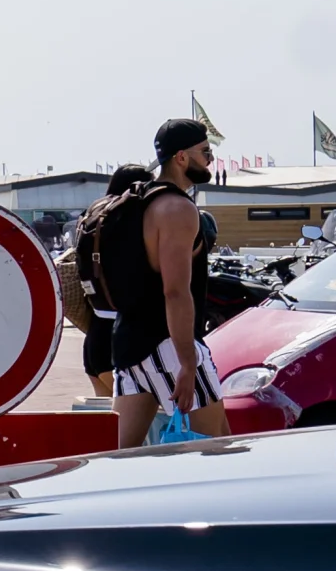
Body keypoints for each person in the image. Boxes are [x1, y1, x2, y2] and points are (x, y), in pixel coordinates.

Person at [109, 117, 228, 446]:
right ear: (181, 157)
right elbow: (175, 292)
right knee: (217, 447)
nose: (211, 160)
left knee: (123, 454)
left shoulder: (136, 201)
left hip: (128, 344)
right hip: (168, 344)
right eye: (205, 152)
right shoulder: (177, 209)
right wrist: (188, 362)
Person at [67, 164, 150, 399]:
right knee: (136, 421)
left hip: (96, 332)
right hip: (121, 337)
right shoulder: (129, 215)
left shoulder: (94, 210)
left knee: (106, 421)